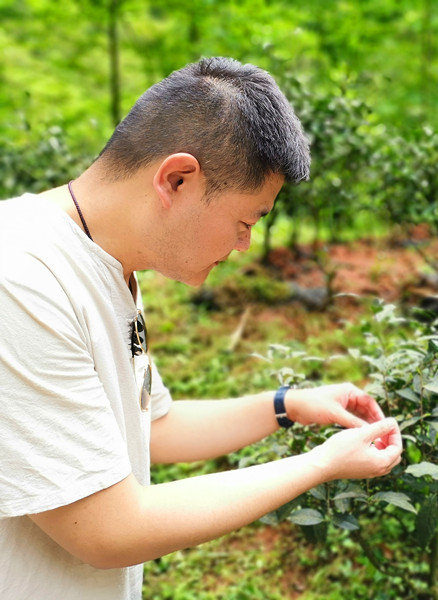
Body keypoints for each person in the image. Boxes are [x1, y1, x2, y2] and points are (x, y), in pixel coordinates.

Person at [0, 57, 403, 599]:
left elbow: (154, 428)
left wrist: (288, 405)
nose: (245, 246)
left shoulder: (109, 264)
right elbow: (109, 531)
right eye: (245, 221)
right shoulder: (21, 276)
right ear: (177, 179)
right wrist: (320, 465)